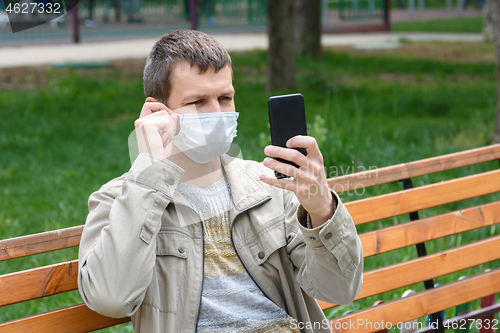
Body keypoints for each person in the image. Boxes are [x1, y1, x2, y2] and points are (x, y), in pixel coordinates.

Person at [77, 29, 363, 333]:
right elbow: (111, 299)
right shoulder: (120, 198)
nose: (217, 113)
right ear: (157, 112)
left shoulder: (270, 185)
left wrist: (321, 210)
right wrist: (148, 176)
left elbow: (339, 290)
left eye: (225, 98)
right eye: (198, 101)